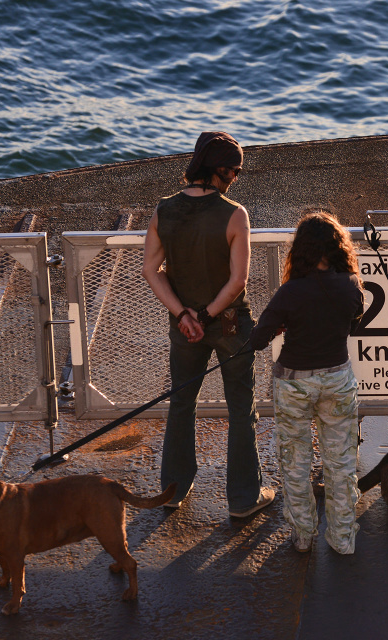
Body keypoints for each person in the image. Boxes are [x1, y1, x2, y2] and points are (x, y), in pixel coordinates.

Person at [142, 131, 274, 518]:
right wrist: (207, 315)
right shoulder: (235, 214)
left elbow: (151, 270)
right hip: (230, 323)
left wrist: (184, 315)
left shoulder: (164, 210)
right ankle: (243, 498)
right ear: (219, 170)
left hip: (183, 327)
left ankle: (173, 489)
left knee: (181, 402)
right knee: (240, 408)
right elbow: (237, 282)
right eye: (234, 170)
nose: (236, 177)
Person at [249, 212, 365, 554]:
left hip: (294, 384)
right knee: (341, 464)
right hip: (338, 379)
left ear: (300, 250)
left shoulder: (290, 292)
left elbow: (257, 340)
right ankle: (343, 539)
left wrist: (283, 326)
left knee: (295, 461)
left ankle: (303, 536)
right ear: (338, 248)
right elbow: (350, 325)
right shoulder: (351, 286)